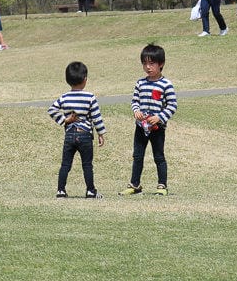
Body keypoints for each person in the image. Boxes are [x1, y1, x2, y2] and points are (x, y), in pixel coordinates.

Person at [119, 43, 177, 196]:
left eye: (152, 63)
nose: (148, 67)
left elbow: (172, 105)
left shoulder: (166, 84)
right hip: (140, 127)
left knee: (159, 156)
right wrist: (136, 111)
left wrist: (160, 117)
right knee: (137, 156)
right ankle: (135, 185)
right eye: (145, 63)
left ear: (161, 64)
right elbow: (135, 101)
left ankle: (162, 185)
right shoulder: (140, 83)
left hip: (157, 128)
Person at [47, 60, 106, 199]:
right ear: (85, 79)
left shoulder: (65, 97)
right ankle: (90, 191)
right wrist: (101, 133)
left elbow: (52, 110)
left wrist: (65, 120)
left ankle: (61, 190)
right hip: (85, 135)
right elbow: (96, 117)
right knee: (87, 165)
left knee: (65, 164)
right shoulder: (90, 97)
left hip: (69, 135)